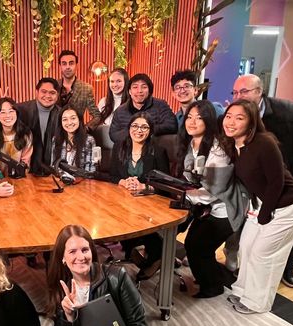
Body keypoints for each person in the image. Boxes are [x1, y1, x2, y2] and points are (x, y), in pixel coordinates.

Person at [231, 74, 293, 288]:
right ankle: (249, 274)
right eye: (235, 92)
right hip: (260, 183)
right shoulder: (240, 117)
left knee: (288, 230)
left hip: (289, 180)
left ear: (259, 92)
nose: (238, 96)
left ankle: (287, 269)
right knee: (258, 233)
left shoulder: (286, 112)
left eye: (244, 91)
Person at [222, 100, 293, 314]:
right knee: (247, 247)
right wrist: (256, 208)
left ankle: (257, 302)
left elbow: (276, 182)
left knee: (263, 254)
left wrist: (266, 212)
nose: (231, 122)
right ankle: (242, 291)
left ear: (251, 122)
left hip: (288, 205)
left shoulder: (264, 142)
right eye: (229, 116)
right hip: (262, 202)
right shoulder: (233, 144)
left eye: (239, 118)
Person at [177, 100, 244, 298]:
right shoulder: (190, 144)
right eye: (189, 117)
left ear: (208, 121)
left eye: (199, 118)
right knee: (192, 243)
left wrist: (185, 194)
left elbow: (214, 189)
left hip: (225, 209)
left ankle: (214, 285)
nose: (192, 122)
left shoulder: (217, 149)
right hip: (204, 206)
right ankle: (208, 277)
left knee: (198, 246)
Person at [110, 113, 169, 281]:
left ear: (150, 131)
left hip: (149, 201)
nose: (139, 130)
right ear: (129, 128)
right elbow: (112, 175)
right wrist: (122, 181)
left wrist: (145, 186)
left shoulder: (158, 151)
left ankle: (155, 257)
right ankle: (133, 250)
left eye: (144, 127)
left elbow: (166, 184)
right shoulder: (119, 147)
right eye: (135, 126)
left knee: (141, 223)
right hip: (123, 200)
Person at [109, 73, 177, 144]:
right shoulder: (120, 111)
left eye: (144, 87)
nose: (139, 91)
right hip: (127, 151)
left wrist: (146, 129)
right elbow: (113, 135)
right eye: (135, 87)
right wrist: (133, 131)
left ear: (149, 91)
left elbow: (171, 125)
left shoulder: (160, 105)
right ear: (129, 91)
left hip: (153, 149)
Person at [17, 78, 62, 174]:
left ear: (57, 95)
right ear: (37, 92)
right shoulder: (20, 110)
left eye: (52, 93)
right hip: (25, 169)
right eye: (44, 91)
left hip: (53, 171)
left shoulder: (62, 114)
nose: (47, 96)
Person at [0, 97, 33, 181]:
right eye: (3, 112)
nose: (7, 115)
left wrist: (17, 179)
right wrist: (3, 182)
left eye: (11, 111)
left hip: (19, 180)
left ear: (16, 113)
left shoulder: (26, 134)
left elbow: (25, 162)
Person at [57, 50, 101, 127]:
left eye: (71, 63)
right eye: (64, 64)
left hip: (77, 135)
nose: (67, 67)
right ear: (60, 66)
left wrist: (85, 129)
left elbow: (97, 116)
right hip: (54, 134)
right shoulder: (53, 86)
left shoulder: (86, 88)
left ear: (76, 65)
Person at [53, 106, 96, 173]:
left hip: (81, 181)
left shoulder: (89, 140)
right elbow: (53, 167)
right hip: (59, 180)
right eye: (65, 119)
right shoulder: (56, 139)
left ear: (79, 119)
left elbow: (90, 171)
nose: (69, 123)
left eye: (73, 118)